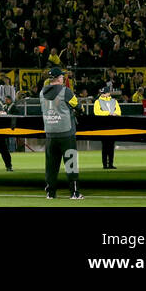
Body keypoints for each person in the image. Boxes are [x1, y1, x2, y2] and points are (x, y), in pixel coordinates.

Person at [40, 68, 83, 200]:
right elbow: (78, 106)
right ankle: (74, 193)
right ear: (58, 78)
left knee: (51, 166)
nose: (64, 78)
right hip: (66, 133)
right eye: (62, 77)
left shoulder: (42, 92)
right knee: (71, 163)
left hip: (50, 133)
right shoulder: (66, 91)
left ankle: (50, 193)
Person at [92, 84, 122, 170]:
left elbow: (119, 111)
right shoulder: (97, 101)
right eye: (102, 93)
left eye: (104, 93)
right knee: (105, 146)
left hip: (113, 125)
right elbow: (97, 112)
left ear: (108, 93)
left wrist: (115, 113)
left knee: (111, 145)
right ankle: (105, 164)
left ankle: (111, 164)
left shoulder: (114, 101)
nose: (103, 94)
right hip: (103, 125)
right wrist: (109, 113)